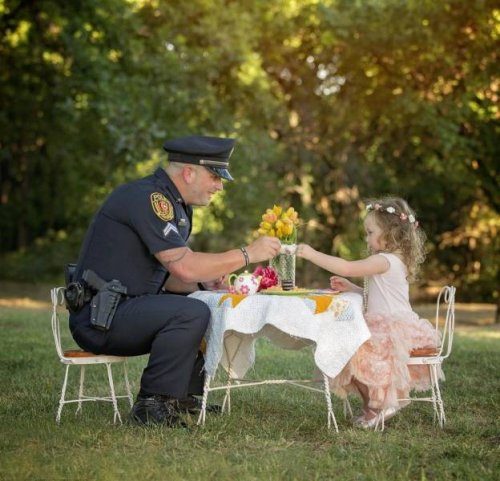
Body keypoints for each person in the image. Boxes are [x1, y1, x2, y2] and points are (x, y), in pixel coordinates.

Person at [68, 135, 281, 426]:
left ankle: (182, 395)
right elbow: (184, 267)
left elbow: (168, 277)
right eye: (215, 176)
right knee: (191, 311)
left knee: (200, 299)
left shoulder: (176, 204)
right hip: (99, 318)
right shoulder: (150, 199)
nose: (219, 186)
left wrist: (205, 284)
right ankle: (152, 405)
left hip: (124, 307)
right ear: (189, 172)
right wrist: (247, 253)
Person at [296, 197, 441, 429]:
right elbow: (381, 294)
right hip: (391, 324)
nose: (367, 237)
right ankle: (373, 407)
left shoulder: (383, 260)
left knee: (348, 349)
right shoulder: (394, 260)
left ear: (391, 233)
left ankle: (380, 406)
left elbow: (346, 267)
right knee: (346, 349)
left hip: (390, 329)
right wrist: (353, 288)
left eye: (371, 231)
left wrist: (312, 254)